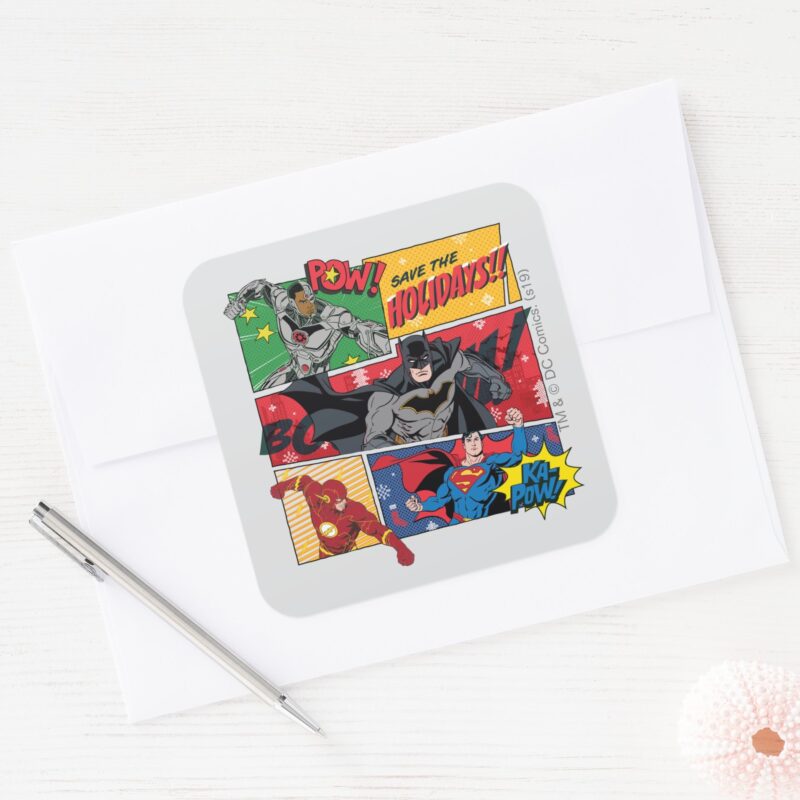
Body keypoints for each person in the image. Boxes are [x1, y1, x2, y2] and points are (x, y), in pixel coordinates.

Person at [224, 278, 390, 389]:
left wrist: (388, 347)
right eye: (303, 301)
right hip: (294, 370)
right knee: (266, 393)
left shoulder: (333, 316)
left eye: (311, 298)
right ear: (291, 301)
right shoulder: (281, 302)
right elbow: (260, 285)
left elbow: (361, 330)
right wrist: (240, 302)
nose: (310, 305)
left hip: (320, 379)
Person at [271, 474, 415, 565]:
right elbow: (302, 481)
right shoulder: (314, 495)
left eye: (344, 498)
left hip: (347, 556)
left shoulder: (354, 510)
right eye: (340, 501)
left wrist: (400, 548)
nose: (344, 502)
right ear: (326, 499)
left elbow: (378, 530)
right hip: (324, 551)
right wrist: (281, 487)